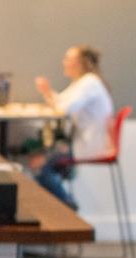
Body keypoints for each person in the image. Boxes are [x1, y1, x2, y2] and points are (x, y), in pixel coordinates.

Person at [30, 45, 115, 209]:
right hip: (81, 141)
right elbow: (63, 102)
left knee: (38, 165)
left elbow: (65, 108)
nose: (64, 62)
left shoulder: (89, 83)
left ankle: (67, 205)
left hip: (91, 144)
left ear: (80, 63)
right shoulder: (83, 83)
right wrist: (47, 92)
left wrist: (49, 94)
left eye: (68, 59)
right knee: (38, 156)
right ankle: (62, 207)